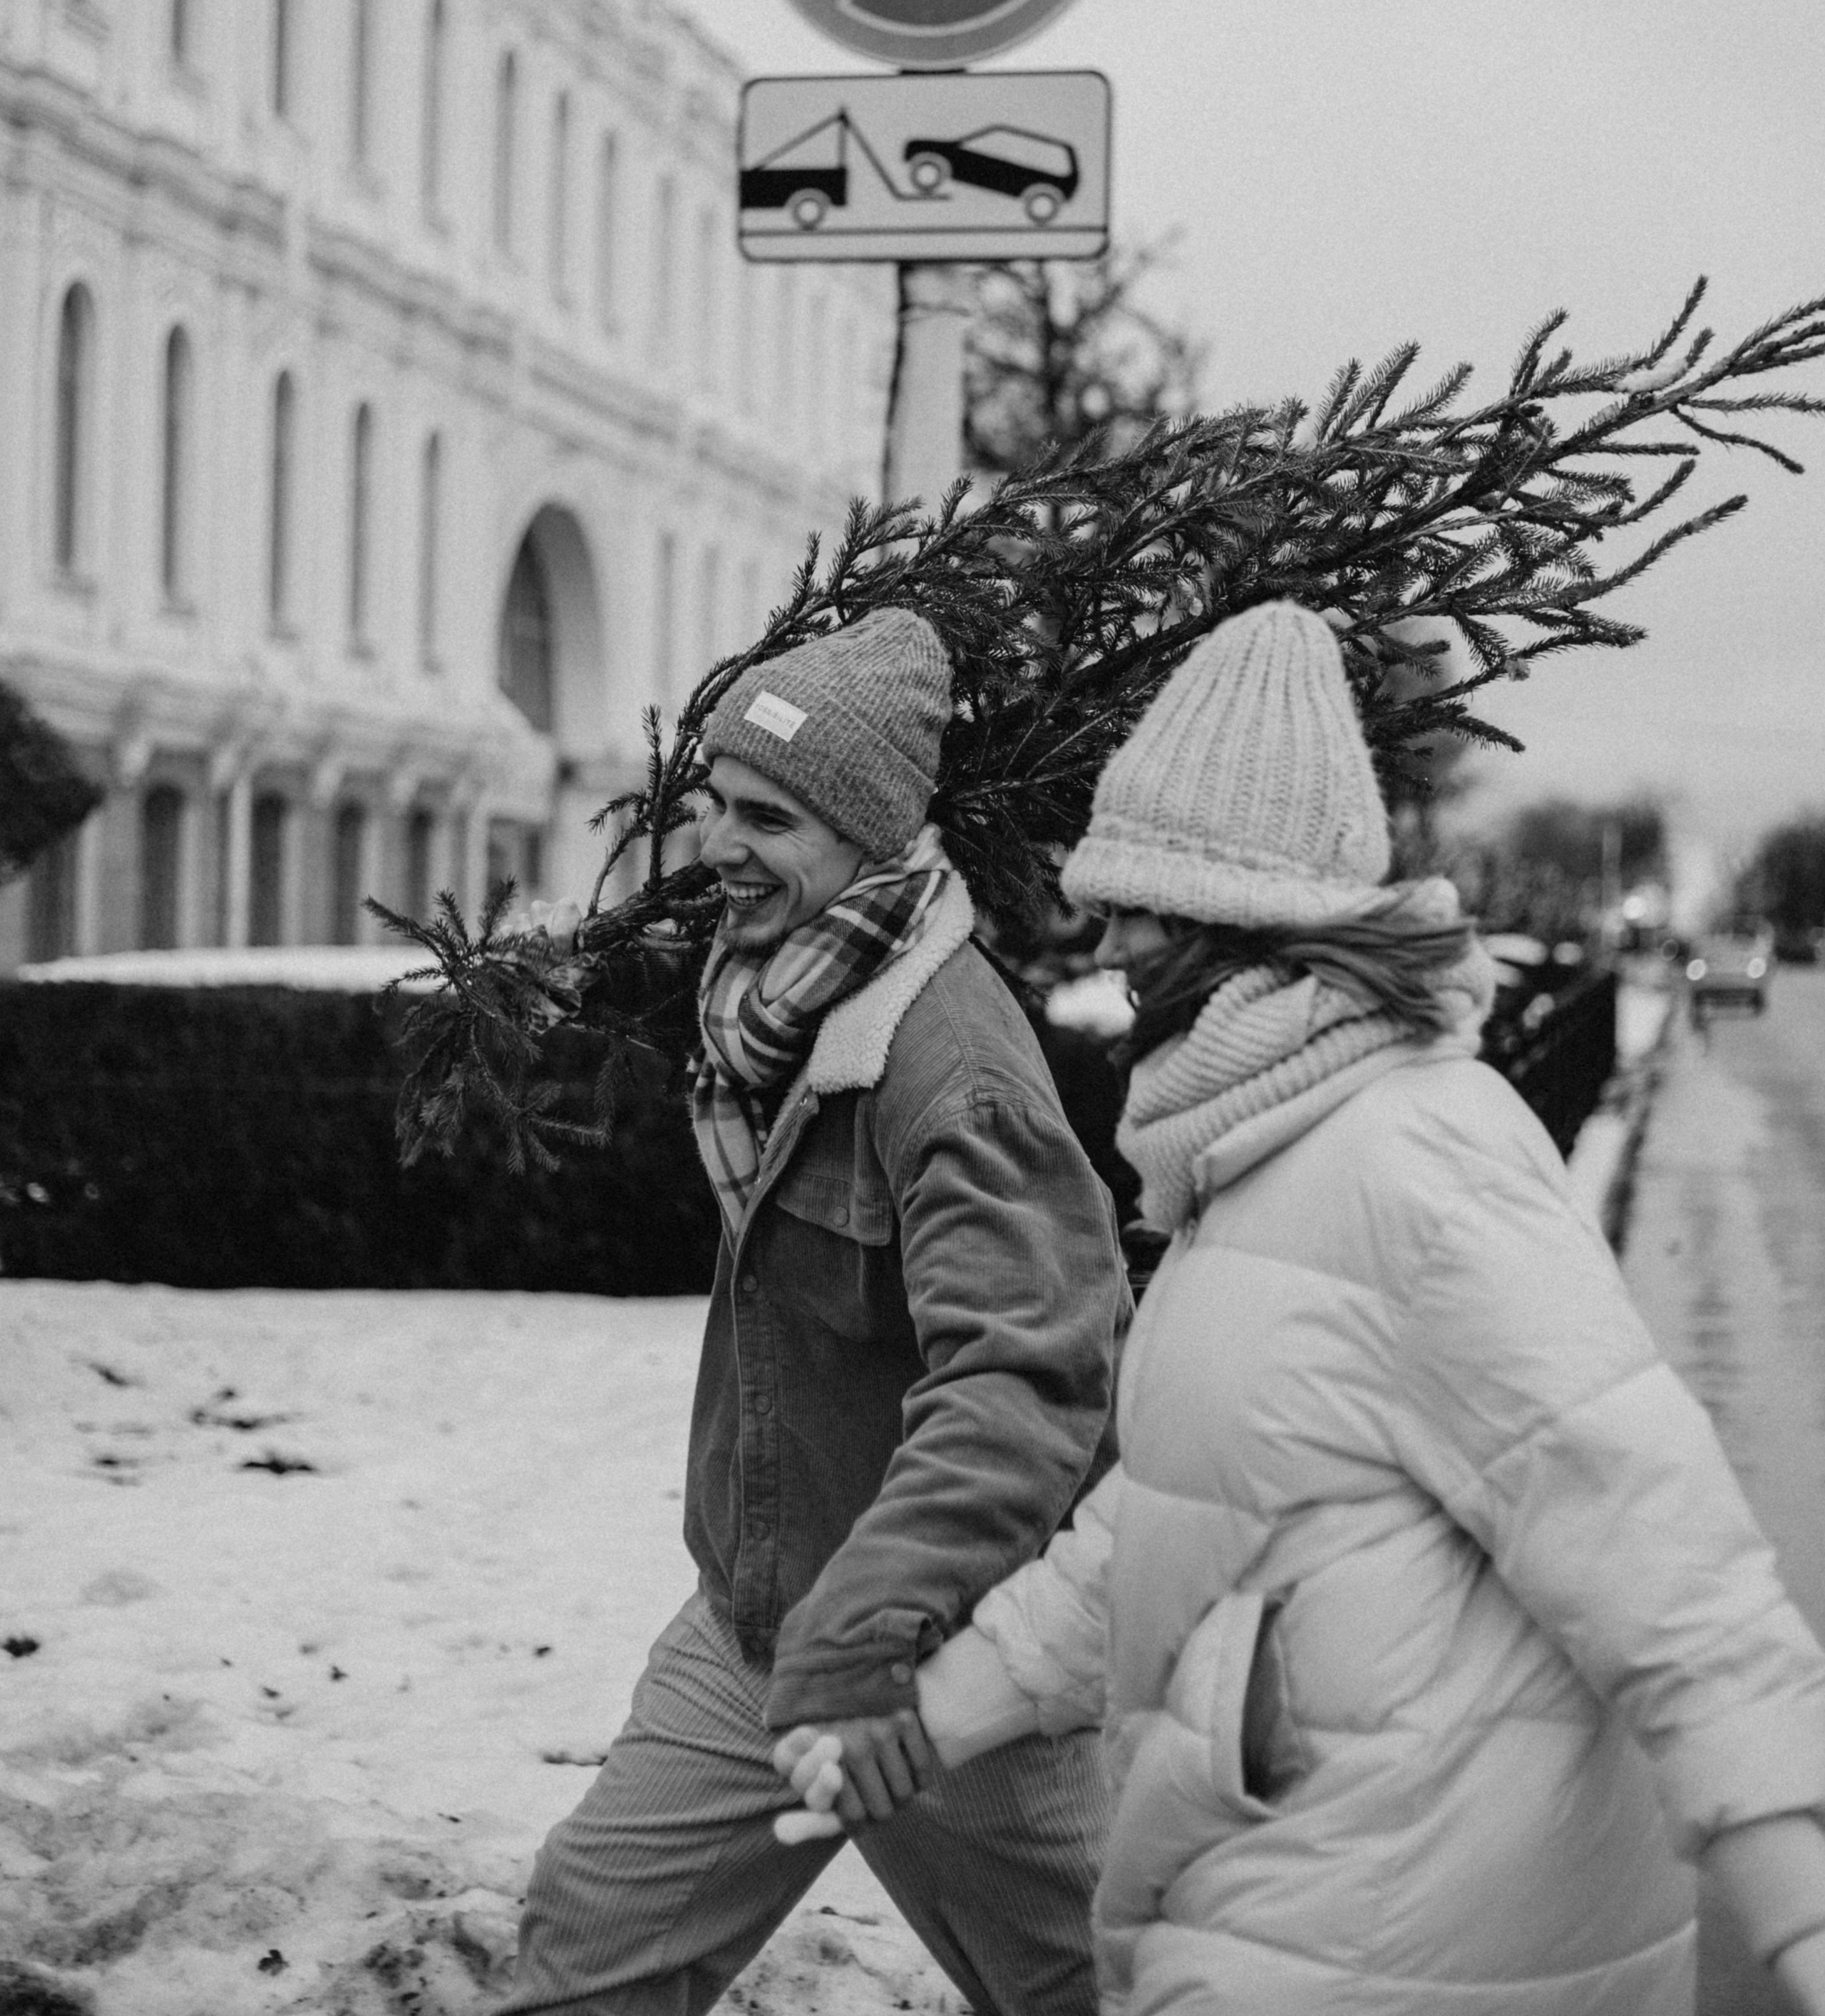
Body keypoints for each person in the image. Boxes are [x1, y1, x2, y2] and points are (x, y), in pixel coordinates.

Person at [777, 600, 1825, 2015]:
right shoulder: (1255, 1155)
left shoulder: (1411, 1161)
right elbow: (1164, 1524)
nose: (1109, 943)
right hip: (1294, 1906)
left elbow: (1655, 1545)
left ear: (1246, 919)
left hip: (1394, 1939)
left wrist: (1794, 1896)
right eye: (1106, 902)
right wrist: (930, 1717)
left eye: (1145, 905)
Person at [506, 607, 1129, 2016]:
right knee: (583, 1943)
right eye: (715, 802)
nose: (718, 845)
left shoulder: (947, 1071)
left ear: (865, 839)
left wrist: (868, 1629)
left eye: (769, 817)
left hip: (940, 1666)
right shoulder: (773, 1009)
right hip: (758, 1629)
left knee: (1101, 1991)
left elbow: (1021, 1386)